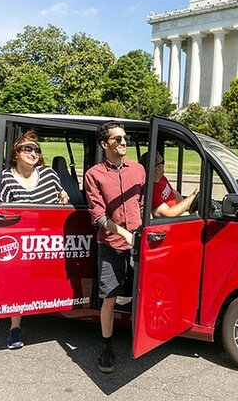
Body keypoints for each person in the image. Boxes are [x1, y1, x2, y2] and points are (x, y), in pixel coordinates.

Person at [84, 121, 145, 374]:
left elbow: (142, 204)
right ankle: (107, 347)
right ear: (104, 144)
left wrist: (139, 234)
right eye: (117, 138)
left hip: (139, 243)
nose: (123, 142)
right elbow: (98, 215)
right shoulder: (94, 174)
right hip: (111, 245)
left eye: (124, 137)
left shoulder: (138, 170)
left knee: (142, 292)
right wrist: (124, 234)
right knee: (109, 296)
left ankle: (143, 337)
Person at [0, 131, 70, 349]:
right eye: (27, 149)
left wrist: (64, 197)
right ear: (16, 154)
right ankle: (14, 328)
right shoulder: (5, 178)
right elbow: (0, 210)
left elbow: (62, 196)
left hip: (48, 237)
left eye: (36, 150)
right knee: (17, 279)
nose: (33, 153)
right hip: (21, 239)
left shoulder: (49, 175)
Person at [138, 151, 199, 218]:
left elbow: (174, 194)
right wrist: (194, 195)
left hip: (178, 214)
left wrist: (188, 205)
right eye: (163, 162)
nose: (164, 165)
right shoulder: (151, 190)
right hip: (169, 223)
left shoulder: (162, 178)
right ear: (156, 169)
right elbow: (168, 214)